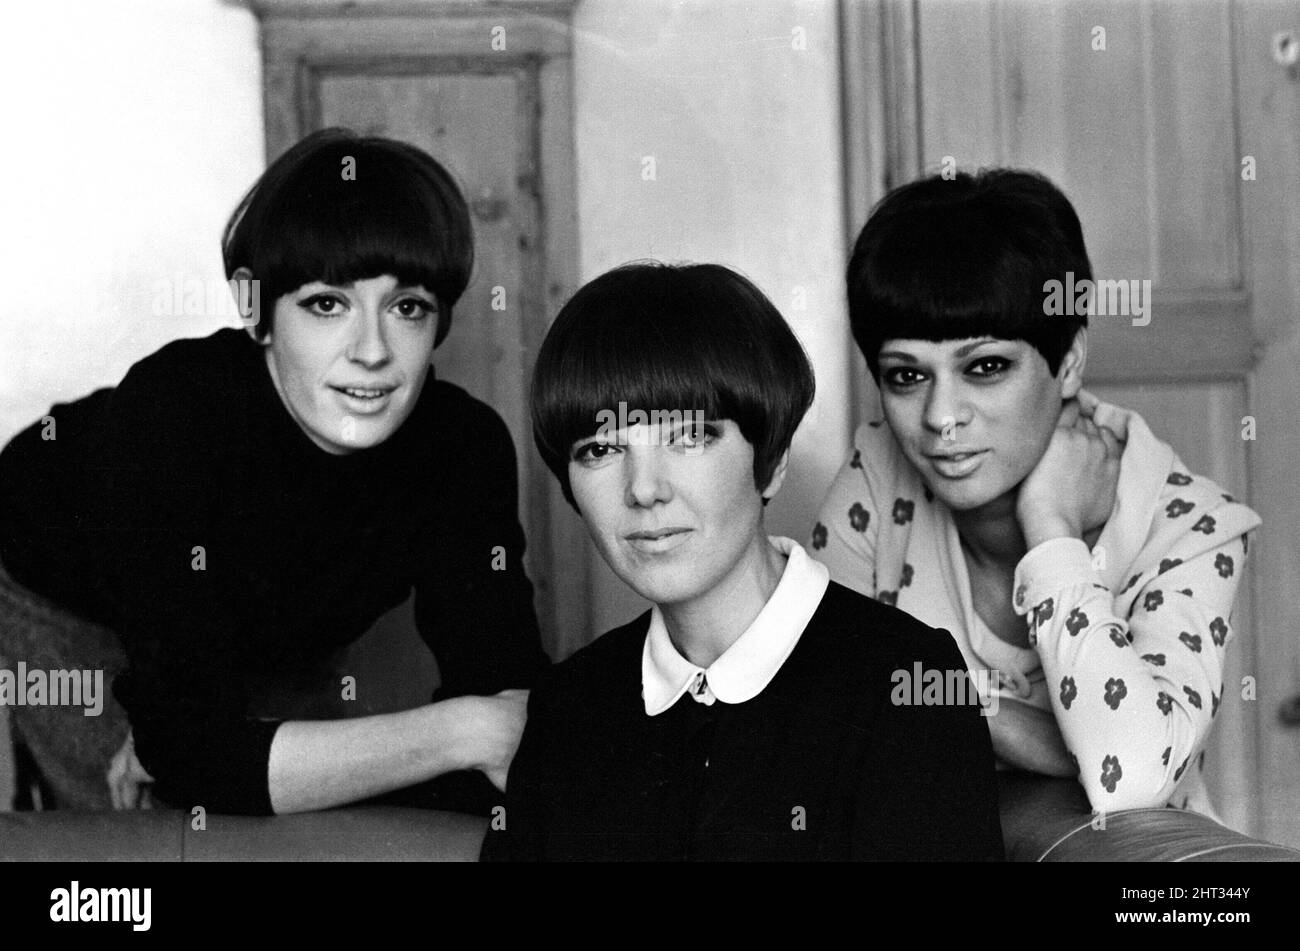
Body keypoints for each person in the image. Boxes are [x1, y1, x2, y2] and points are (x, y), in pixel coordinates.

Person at [0, 129, 549, 815]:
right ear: (256, 309)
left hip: (258, 628)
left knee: (291, 814)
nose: (372, 352)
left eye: (407, 307)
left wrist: (210, 749)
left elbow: (516, 712)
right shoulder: (172, 415)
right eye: (327, 304)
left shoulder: (462, 443)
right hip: (59, 596)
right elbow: (190, 754)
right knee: (155, 829)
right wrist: (464, 731)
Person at [481, 262, 1004, 861]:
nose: (644, 489)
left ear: (773, 460)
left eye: (689, 437)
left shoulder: (901, 684)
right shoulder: (569, 706)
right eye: (601, 449)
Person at [811, 168, 1261, 815]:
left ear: (1070, 360)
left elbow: (1132, 774)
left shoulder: (1189, 524)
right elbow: (820, 706)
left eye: (985, 366)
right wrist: (1012, 721)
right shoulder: (878, 471)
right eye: (907, 375)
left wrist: (1050, 526)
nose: (941, 416)